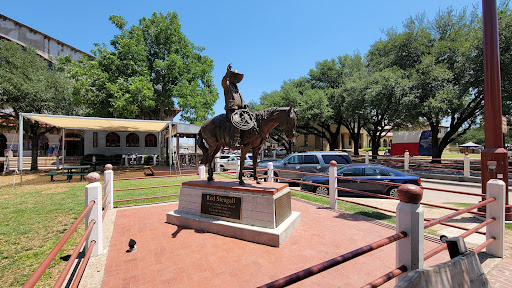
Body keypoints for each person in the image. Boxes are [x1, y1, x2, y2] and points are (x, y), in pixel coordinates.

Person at [222, 64, 248, 148]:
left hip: (240, 110)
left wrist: (244, 105)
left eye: (237, 77)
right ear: (231, 77)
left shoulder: (236, 88)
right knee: (236, 121)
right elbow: (223, 81)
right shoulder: (227, 86)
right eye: (234, 76)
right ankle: (234, 142)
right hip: (232, 110)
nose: (236, 79)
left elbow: (241, 99)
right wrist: (227, 73)